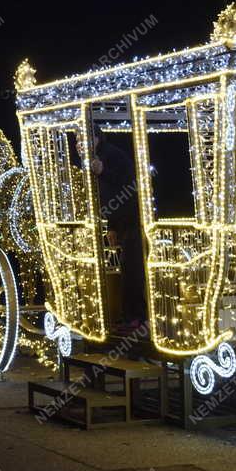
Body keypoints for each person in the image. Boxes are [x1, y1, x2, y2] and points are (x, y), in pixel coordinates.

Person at [89, 125, 147, 328]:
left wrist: (104, 171)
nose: (80, 145)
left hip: (134, 218)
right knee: (126, 267)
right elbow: (107, 197)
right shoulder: (95, 158)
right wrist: (111, 226)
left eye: (84, 139)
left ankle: (137, 317)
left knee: (133, 269)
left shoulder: (111, 155)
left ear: (96, 138)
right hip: (120, 220)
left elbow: (126, 185)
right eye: (77, 141)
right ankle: (128, 315)